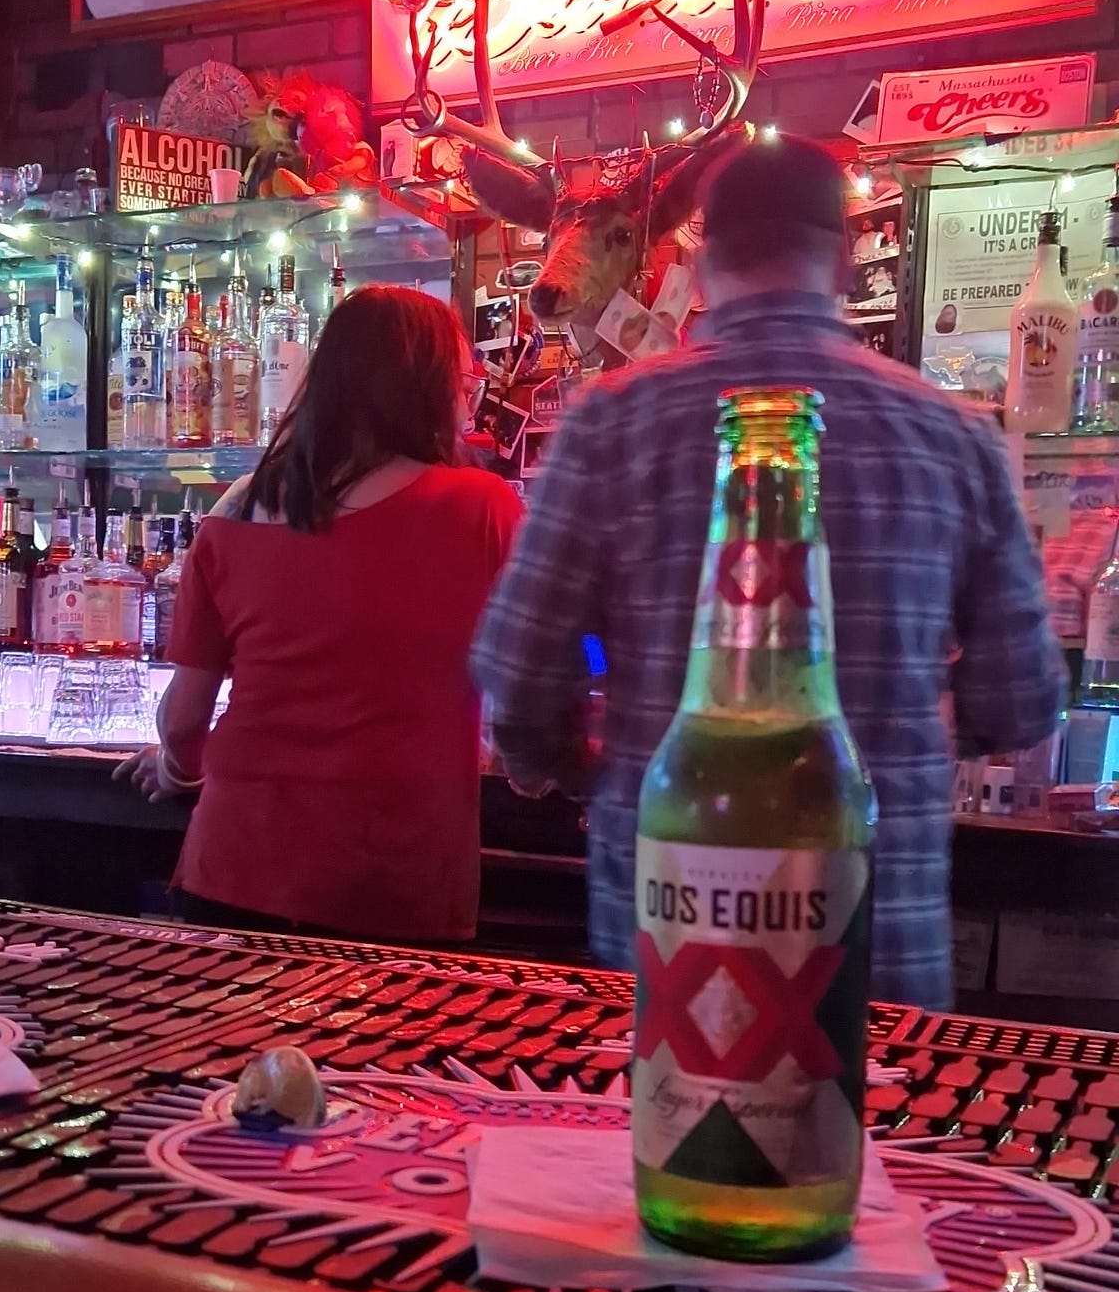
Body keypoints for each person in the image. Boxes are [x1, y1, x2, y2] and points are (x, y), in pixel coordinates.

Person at [470, 134, 1067, 1007]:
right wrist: (895, 736)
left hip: (670, 923)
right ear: (845, 256)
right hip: (869, 926)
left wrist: (604, 769)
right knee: (853, 1139)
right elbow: (1023, 696)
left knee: (670, 1139)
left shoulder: (612, 423)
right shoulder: (952, 436)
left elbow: (518, 679)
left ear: (702, 260)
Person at [116, 286, 522, 943]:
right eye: (465, 381)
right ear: (432, 386)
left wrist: (176, 768)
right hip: (394, 879)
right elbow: (536, 670)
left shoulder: (238, 509)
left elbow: (184, 717)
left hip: (236, 865)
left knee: (230, 1047)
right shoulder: (483, 508)